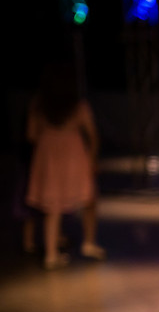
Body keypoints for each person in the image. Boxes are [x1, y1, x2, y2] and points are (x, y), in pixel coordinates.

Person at [25, 61, 102, 269]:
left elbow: (31, 135)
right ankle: (89, 242)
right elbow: (92, 135)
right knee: (88, 199)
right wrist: (93, 159)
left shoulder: (39, 104)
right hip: (73, 157)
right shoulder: (78, 104)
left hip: (48, 156)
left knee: (52, 206)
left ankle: (51, 254)